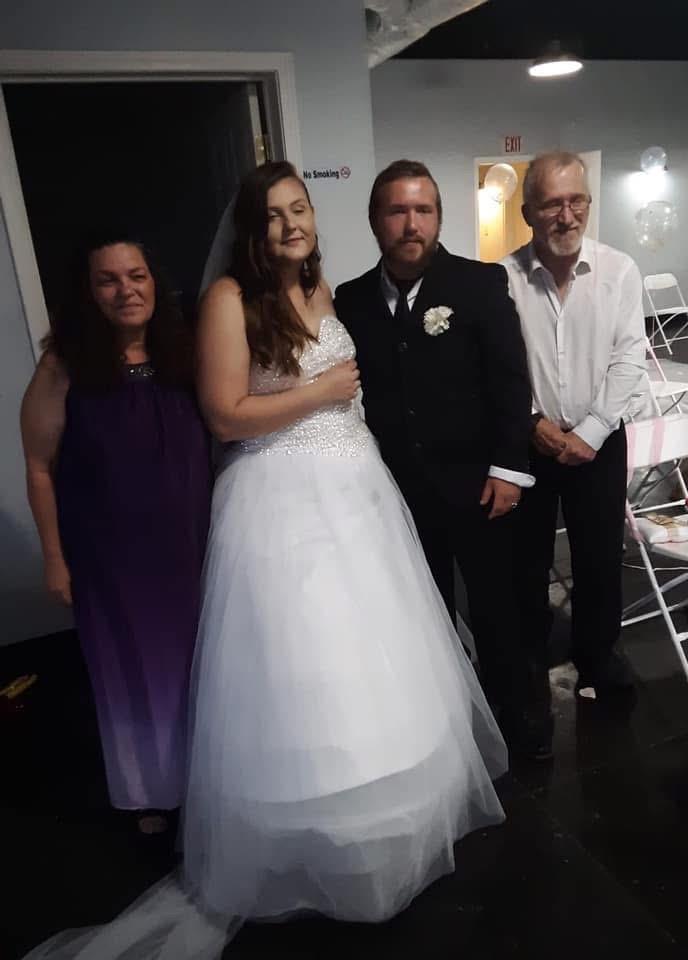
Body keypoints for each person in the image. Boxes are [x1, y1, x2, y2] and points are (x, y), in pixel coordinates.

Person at [22, 162, 507, 959]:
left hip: (358, 490)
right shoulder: (225, 300)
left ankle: (385, 819)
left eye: (301, 209)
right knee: (301, 660)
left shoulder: (327, 292)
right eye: (274, 215)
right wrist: (316, 397)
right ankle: (303, 835)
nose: (291, 225)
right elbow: (223, 413)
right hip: (282, 497)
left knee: (375, 657)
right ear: (251, 230)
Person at [334, 159, 545, 758]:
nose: (410, 224)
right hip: (397, 492)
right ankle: (444, 723)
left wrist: (508, 471)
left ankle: (518, 717)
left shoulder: (479, 285)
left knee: (495, 607)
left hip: (478, 484)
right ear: (375, 221)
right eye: (397, 211)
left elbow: (510, 384)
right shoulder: (350, 300)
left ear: (438, 218)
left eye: (422, 210)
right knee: (422, 612)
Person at [20, 235, 212, 835]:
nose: (126, 289)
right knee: (130, 674)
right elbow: (38, 467)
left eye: (137, 275)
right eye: (108, 280)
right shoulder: (63, 367)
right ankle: (149, 797)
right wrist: (54, 557)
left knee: (196, 667)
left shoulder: (185, 355)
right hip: (110, 555)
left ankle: (205, 781)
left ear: (156, 282)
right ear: (88, 292)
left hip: (189, 546)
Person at [501, 151, 646, 714]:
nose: (566, 215)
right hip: (530, 443)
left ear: (588, 203)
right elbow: (503, 366)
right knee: (527, 559)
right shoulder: (504, 279)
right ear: (528, 211)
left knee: (599, 558)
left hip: (600, 445)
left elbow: (630, 360)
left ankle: (598, 656)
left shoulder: (619, 272)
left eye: (576, 200)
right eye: (551, 203)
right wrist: (534, 423)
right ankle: (530, 653)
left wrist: (590, 430)